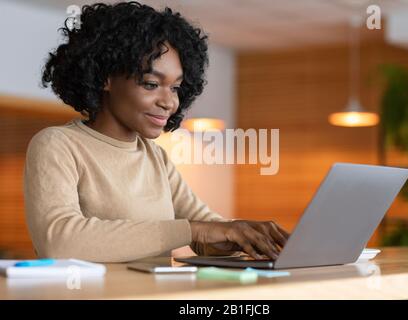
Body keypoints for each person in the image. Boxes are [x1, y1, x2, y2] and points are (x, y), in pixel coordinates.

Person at [24, 1, 289, 263]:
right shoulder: (57, 145)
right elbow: (58, 241)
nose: (169, 102)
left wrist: (245, 234)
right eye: (152, 84)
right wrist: (193, 229)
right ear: (105, 77)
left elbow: (206, 230)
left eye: (175, 88)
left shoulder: (155, 157)